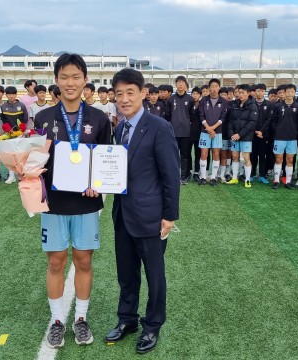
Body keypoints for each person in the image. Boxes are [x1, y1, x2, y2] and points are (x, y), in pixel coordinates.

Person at [33, 53, 111, 349]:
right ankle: (56, 321)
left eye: (75, 77)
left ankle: (80, 318)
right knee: (55, 261)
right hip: (52, 202)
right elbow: (34, 162)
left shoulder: (99, 118)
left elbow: (106, 159)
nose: (70, 82)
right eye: (64, 77)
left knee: (84, 260)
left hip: (86, 203)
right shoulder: (43, 118)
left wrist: (98, 183)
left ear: (85, 80)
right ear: (56, 81)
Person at [106, 67, 180, 354]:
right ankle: (128, 320)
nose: (124, 99)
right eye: (119, 94)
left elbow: (171, 175)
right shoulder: (120, 127)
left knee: (154, 275)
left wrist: (169, 215)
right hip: (123, 214)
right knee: (126, 273)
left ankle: (152, 326)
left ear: (142, 94)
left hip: (150, 217)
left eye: (130, 93)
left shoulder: (159, 127)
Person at [263, 84, 298, 190]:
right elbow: (273, 120)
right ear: (284, 93)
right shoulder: (278, 106)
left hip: (292, 138)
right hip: (279, 138)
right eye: (287, 92)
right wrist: (277, 130)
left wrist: (295, 131)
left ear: (294, 93)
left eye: (291, 92)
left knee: (290, 159)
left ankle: (288, 181)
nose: (289, 94)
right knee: (278, 159)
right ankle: (276, 180)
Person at [226, 84, 257, 188]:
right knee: (234, 156)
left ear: (248, 93)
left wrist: (240, 134)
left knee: (246, 157)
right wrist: (232, 134)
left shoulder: (253, 106)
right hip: (234, 136)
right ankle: (234, 177)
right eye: (239, 92)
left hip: (246, 137)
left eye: (243, 93)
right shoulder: (235, 105)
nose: (241, 95)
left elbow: (252, 123)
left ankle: (247, 180)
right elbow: (230, 121)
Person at [197, 78, 227, 186]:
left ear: (219, 87)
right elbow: (201, 115)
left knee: (216, 153)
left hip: (217, 132)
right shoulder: (203, 100)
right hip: (205, 131)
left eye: (216, 86)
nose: (214, 88)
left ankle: (214, 177)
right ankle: (203, 177)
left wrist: (213, 128)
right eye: (212, 86)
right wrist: (208, 128)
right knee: (204, 153)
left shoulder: (223, 101)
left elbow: (223, 117)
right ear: (209, 88)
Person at [168, 76, 194, 184]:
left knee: (185, 155)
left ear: (185, 85)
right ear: (176, 85)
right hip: (173, 132)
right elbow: (168, 115)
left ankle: (184, 176)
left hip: (186, 133)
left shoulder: (190, 99)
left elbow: (192, 115)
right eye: (178, 82)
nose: (180, 84)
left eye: (182, 82)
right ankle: (174, 175)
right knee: (173, 155)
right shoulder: (171, 99)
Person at [250, 84, 272, 184]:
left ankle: (262, 175)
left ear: (264, 92)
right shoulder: (251, 103)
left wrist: (261, 131)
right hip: (252, 134)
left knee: (262, 156)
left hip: (263, 135)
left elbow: (269, 119)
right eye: (258, 90)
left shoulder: (269, 104)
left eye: (262, 91)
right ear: (255, 92)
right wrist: (255, 130)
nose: (260, 93)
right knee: (252, 155)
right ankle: (251, 174)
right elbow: (250, 119)